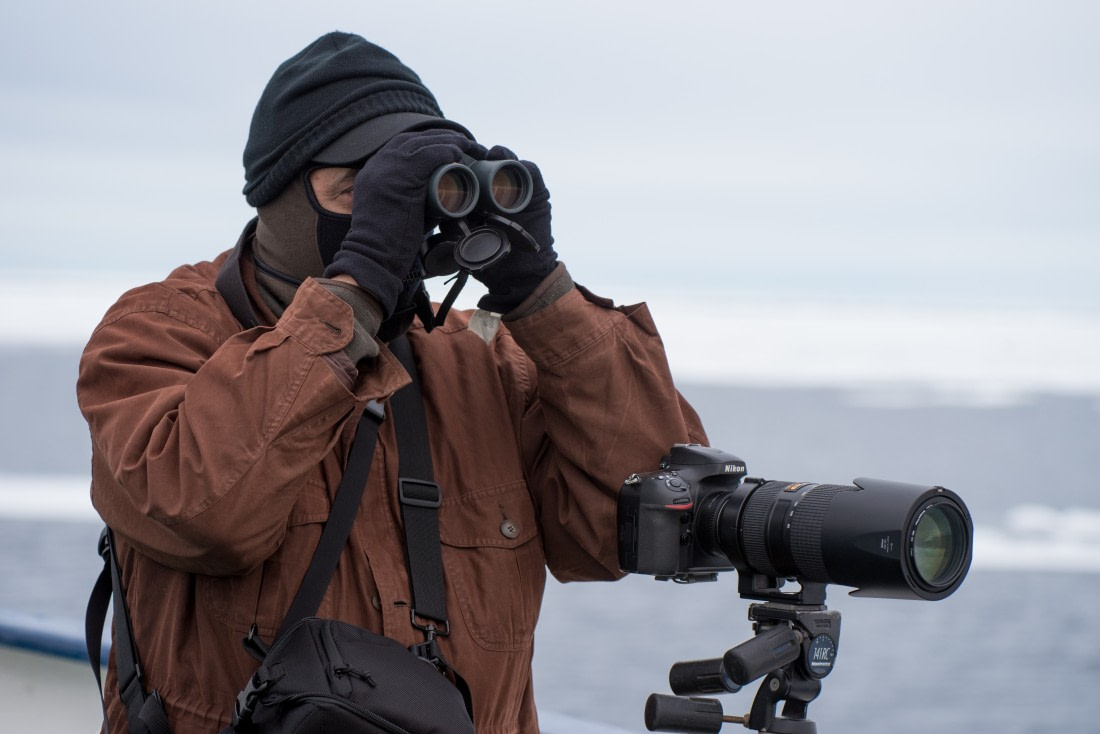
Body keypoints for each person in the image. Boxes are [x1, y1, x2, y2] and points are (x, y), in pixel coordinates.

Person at [78, 31, 706, 733]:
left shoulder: (481, 356)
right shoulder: (159, 332)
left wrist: (541, 294)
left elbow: (644, 517)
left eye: (407, 198)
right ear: (278, 198)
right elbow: (202, 509)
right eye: (361, 193)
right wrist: (361, 280)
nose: (400, 225)